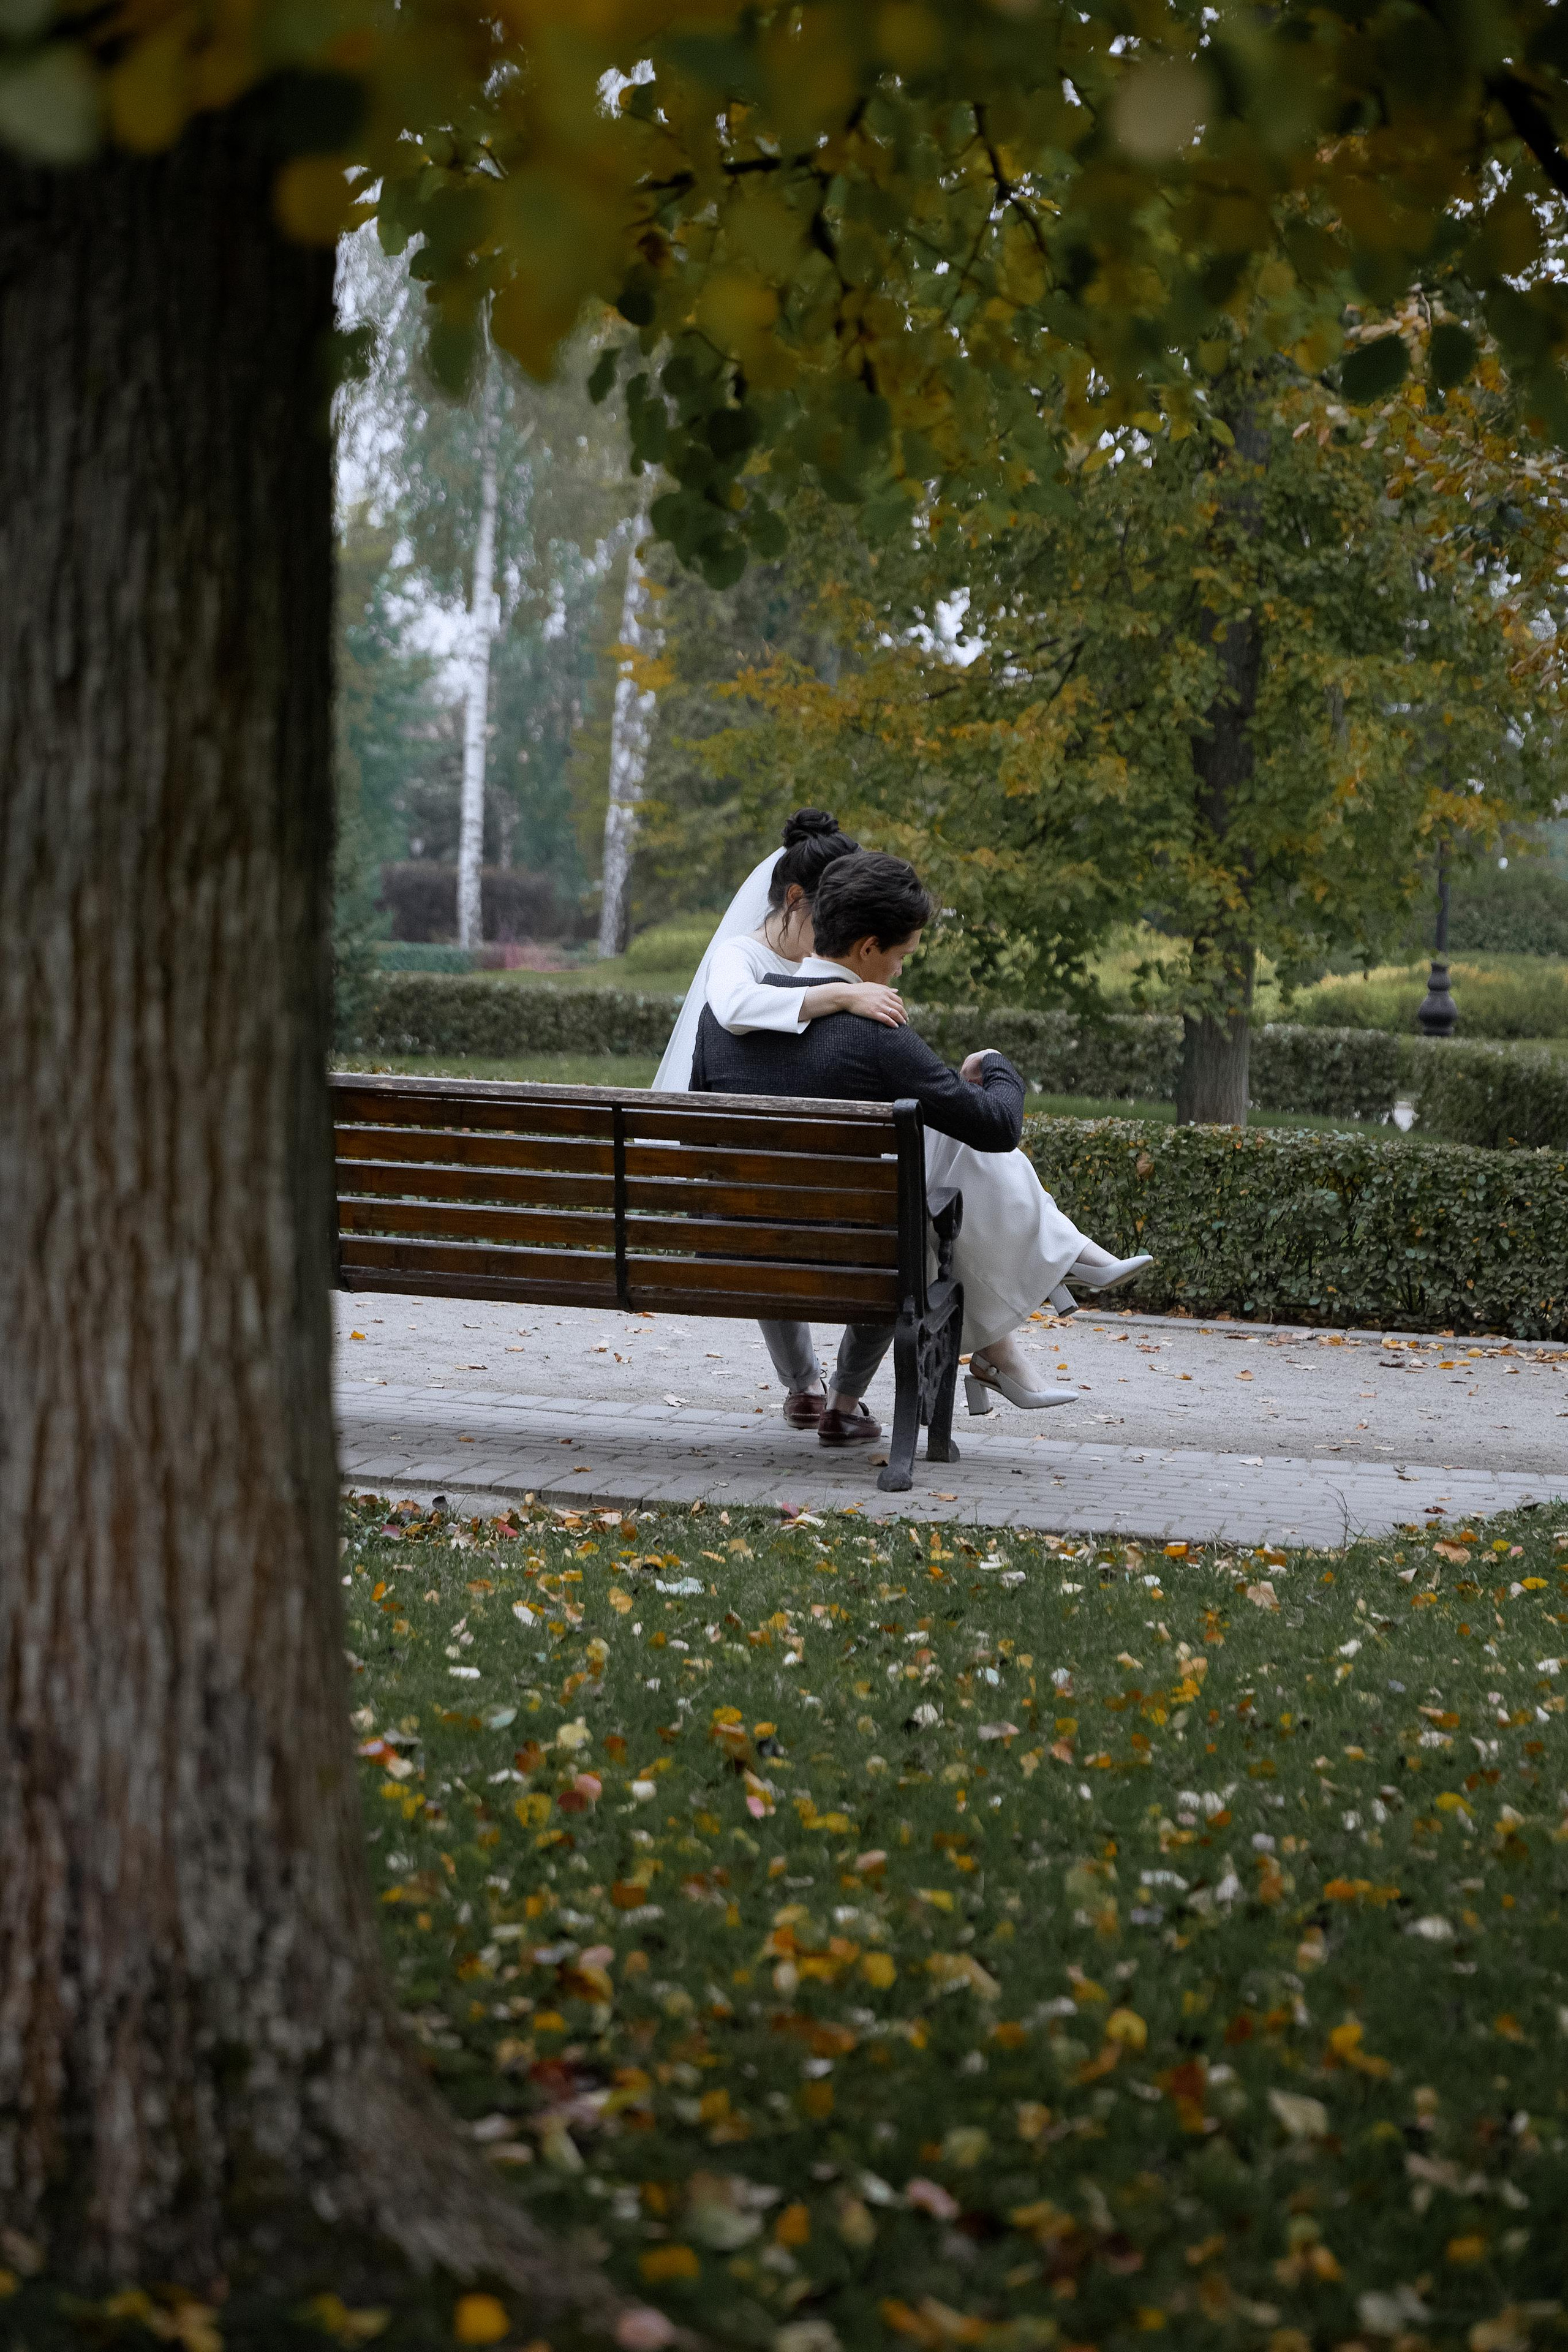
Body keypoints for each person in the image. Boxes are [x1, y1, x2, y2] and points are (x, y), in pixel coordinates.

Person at [691, 850, 1152, 1445]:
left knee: (924, 1167)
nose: (901, 971)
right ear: (867, 948)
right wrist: (995, 1066)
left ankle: (1029, 1307)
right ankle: (856, 1398)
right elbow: (995, 1128)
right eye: (901, 955)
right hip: (858, 1260)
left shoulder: (721, 1019)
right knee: (915, 1226)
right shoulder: (874, 1030)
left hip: (736, 1246)